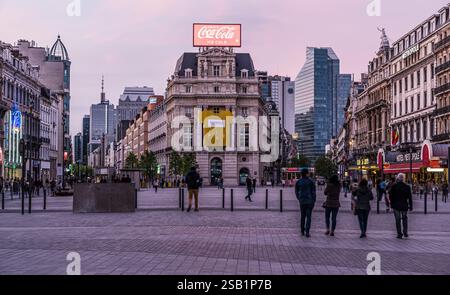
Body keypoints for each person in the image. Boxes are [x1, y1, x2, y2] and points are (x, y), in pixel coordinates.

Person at [389, 173, 413, 239]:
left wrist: (391, 205)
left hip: (396, 205)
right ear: (404, 179)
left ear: (398, 178)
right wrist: (411, 206)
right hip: (404, 205)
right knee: (404, 218)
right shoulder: (407, 187)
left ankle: (399, 234)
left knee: (397, 220)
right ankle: (405, 232)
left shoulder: (394, 186)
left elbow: (391, 196)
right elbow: (409, 197)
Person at [295, 168, 316, 238]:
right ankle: (307, 232)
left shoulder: (298, 182)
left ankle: (302, 231)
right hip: (310, 201)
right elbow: (313, 192)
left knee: (302, 216)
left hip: (302, 201)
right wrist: (313, 200)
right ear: (307, 174)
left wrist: (299, 198)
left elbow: (296, 191)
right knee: (309, 217)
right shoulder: (311, 182)